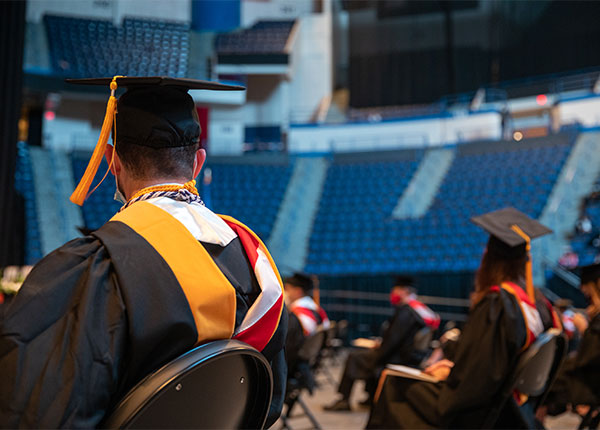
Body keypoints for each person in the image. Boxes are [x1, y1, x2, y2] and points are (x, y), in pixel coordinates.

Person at [0, 77, 287, 428]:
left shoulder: (98, 267)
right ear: (198, 163)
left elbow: (37, 411)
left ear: (113, 162)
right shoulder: (253, 263)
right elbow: (264, 403)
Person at [366, 207, 552, 429]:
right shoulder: (531, 304)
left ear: (489, 259)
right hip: (510, 407)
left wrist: (450, 373)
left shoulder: (497, 304)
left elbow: (476, 378)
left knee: (393, 385)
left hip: (474, 411)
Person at [324, 277, 440, 412]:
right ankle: (370, 396)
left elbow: (393, 341)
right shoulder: (420, 310)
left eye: (395, 290)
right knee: (367, 355)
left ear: (404, 291)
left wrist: (379, 352)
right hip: (408, 355)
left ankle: (344, 400)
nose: (393, 293)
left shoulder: (406, 311)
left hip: (397, 358)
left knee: (354, 357)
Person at [541, 263, 600, 420]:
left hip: (590, 382)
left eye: (587, 288)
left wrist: (584, 329)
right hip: (589, 375)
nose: (584, 292)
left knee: (543, 384)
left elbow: (588, 358)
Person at [284, 273, 329, 372]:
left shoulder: (298, 315)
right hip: (308, 360)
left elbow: (287, 345)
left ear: (298, 291)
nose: (284, 292)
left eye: (287, 289)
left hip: (292, 363)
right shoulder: (315, 309)